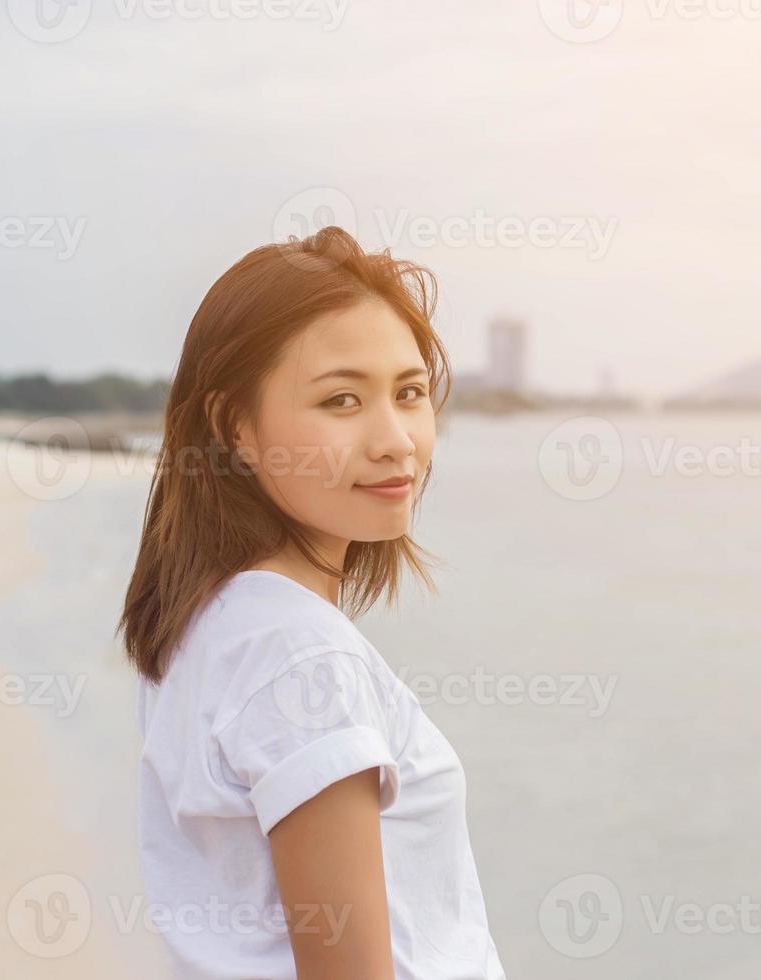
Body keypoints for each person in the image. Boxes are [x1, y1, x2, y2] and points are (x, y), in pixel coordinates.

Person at [119, 225, 506, 979]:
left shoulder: (206, 620)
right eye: (341, 400)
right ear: (235, 426)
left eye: (410, 393)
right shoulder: (300, 656)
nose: (396, 440)